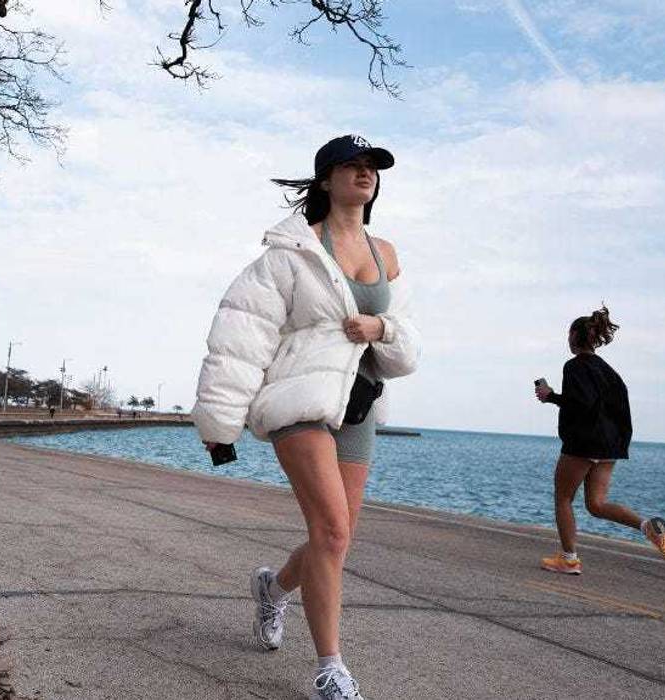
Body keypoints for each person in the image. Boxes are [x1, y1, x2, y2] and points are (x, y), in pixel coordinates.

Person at [192, 135, 420, 700]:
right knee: (333, 529)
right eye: (352, 165)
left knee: (335, 541)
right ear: (325, 179)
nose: (364, 174)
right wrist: (220, 426)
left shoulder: (386, 253)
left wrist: (383, 328)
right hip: (299, 400)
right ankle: (331, 670)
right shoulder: (289, 252)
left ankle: (273, 588)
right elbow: (241, 335)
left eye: (371, 167)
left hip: (360, 403)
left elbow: (407, 343)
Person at [535, 305, 665, 574]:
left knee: (563, 498)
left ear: (576, 337)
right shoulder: (611, 373)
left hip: (583, 444)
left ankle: (569, 559)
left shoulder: (575, 366)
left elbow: (581, 402)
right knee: (596, 504)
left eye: (569, 335)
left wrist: (550, 396)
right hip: (609, 446)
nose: (567, 340)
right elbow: (621, 412)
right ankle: (648, 526)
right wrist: (618, 445)